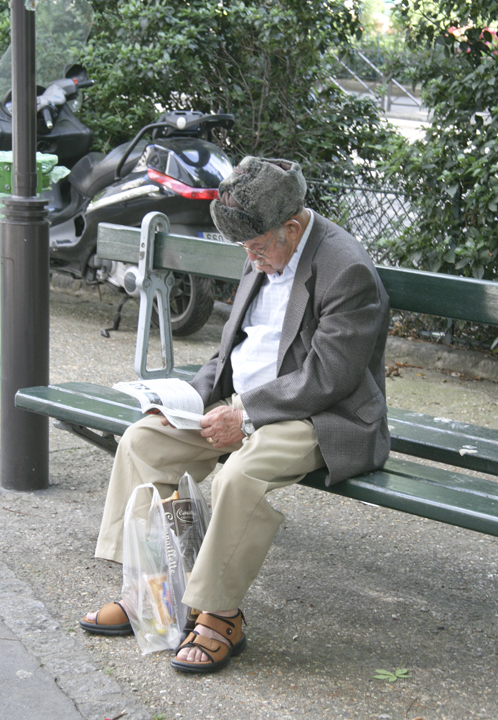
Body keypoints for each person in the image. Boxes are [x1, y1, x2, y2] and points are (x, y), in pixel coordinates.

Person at [80, 156, 390, 674]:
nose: (251, 259)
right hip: (244, 401)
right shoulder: (263, 244)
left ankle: (220, 614)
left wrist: (245, 416)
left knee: (239, 476)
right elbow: (231, 351)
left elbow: (328, 378)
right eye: (246, 249)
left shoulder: (346, 269)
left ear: (293, 228)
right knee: (143, 441)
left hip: (322, 416)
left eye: (257, 248)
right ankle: (150, 592)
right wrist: (188, 399)